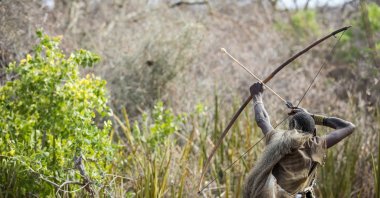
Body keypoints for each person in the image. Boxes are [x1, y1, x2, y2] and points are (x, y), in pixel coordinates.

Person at [243, 82, 355, 198]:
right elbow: (348, 127)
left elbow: (262, 120)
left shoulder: (277, 138)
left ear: (291, 128)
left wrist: (257, 96)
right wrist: (313, 117)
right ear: (312, 132)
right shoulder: (313, 146)